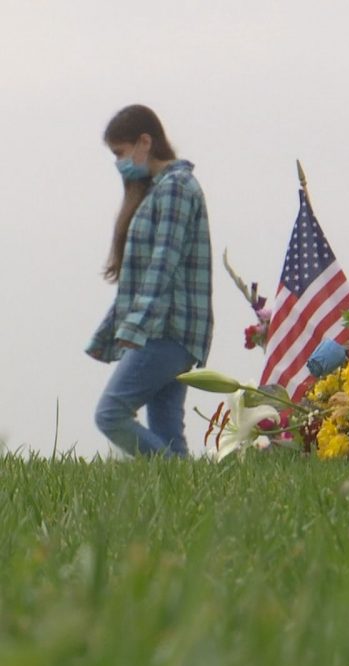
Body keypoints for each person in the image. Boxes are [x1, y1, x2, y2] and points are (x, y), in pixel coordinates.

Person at [86, 104, 213, 458]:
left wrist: (134, 328)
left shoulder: (176, 188)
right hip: (167, 329)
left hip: (166, 329)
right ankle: (192, 503)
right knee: (168, 430)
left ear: (146, 141)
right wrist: (112, 330)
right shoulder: (157, 190)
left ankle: (174, 473)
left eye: (120, 153)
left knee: (110, 414)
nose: (118, 163)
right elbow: (139, 278)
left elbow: (162, 266)